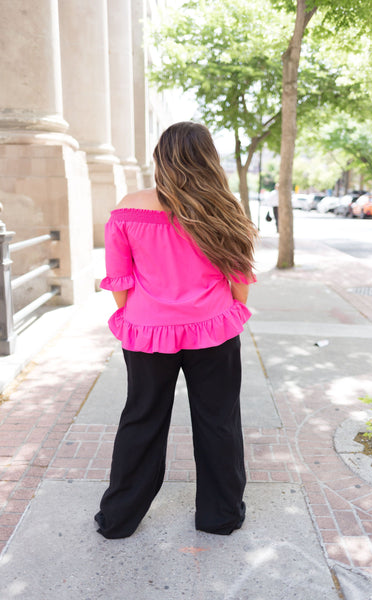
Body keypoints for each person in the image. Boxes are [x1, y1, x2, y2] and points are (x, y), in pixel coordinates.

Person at [94, 121, 258, 539]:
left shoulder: (129, 207)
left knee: (142, 417)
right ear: (209, 159)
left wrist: (146, 316)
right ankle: (219, 516)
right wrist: (229, 310)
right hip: (213, 328)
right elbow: (240, 276)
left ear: (160, 157)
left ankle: (119, 518)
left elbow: (119, 281)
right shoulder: (225, 207)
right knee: (218, 419)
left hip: (148, 331)